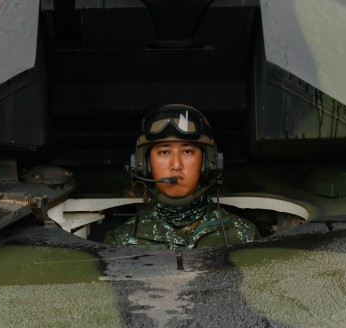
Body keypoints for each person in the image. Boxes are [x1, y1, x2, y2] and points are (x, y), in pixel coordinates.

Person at [105, 104, 258, 249]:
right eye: (164, 152)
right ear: (144, 165)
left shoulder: (245, 237)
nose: (176, 165)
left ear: (208, 164)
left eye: (187, 151)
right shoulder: (120, 242)